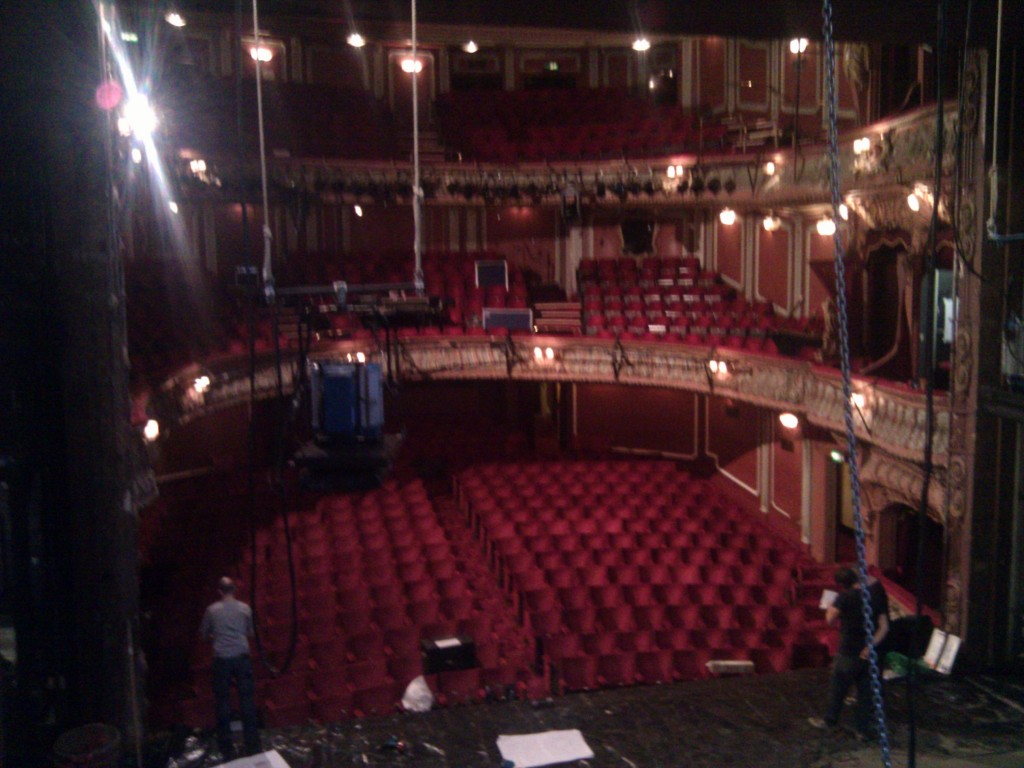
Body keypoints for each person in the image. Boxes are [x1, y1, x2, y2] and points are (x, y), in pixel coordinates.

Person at [809, 566, 890, 740]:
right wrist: (870, 646)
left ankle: (830, 721)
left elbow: (829, 619)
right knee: (865, 694)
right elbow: (884, 627)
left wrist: (830, 606)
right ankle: (862, 729)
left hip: (848, 651)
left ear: (841, 584)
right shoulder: (875, 597)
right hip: (869, 652)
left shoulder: (844, 597)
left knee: (838, 689)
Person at [199, 576, 261, 760]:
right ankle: (252, 743)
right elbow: (250, 632)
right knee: (247, 700)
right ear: (234, 590)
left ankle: (226, 746)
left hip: (222, 658)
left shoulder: (211, 610)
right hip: (241, 657)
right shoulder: (245, 608)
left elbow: (203, 635)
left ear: (219, 591)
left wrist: (216, 637)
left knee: (223, 702)